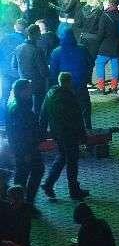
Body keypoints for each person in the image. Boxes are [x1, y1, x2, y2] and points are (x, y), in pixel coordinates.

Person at [40, 71, 89, 200]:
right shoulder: (69, 96)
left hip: (57, 133)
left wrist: (43, 132)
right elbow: (77, 118)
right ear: (69, 82)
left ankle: (49, 183)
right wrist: (83, 135)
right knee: (72, 162)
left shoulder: (50, 94)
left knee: (62, 157)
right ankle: (73, 190)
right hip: (70, 134)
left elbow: (43, 114)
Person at [6, 80, 44, 208]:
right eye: (28, 88)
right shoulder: (21, 110)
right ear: (22, 91)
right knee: (28, 173)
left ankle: (21, 202)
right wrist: (26, 152)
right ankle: (25, 203)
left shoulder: (17, 106)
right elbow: (22, 133)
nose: (31, 90)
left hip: (24, 148)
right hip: (27, 149)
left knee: (23, 173)